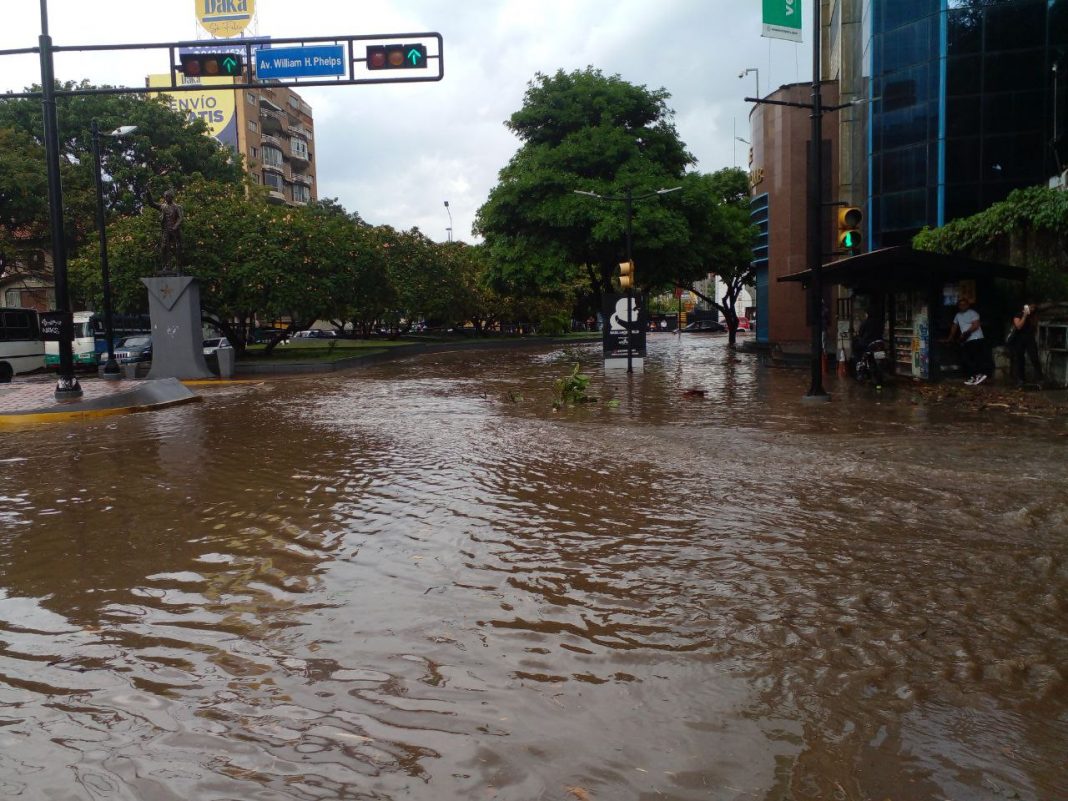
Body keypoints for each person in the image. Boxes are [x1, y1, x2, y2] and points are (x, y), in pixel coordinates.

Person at [947, 297, 987, 385]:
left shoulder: (973, 313)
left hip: (976, 338)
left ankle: (979, 375)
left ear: (968, 305)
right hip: (966, 340)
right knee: (967, 358)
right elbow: (954, 326)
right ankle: (973, 377)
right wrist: (950, 337)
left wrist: (966, 333)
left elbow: (976, 325)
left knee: (975, 357)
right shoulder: (958, 315)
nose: (962, 306)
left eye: (964, 304)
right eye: (960, 305)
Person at [1009, 301, 1043, 387]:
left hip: (1030, 339)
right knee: (1020, 359)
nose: (1031, 309)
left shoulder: (1033, 317)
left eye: (1033, 308)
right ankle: (1021, 379)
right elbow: (1019, 326)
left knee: (1034, 358)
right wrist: (1024, 315)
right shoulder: (1018, 315)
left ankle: (1040, 379)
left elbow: (1035, 327)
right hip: (1019, 339)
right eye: (1030, 307)